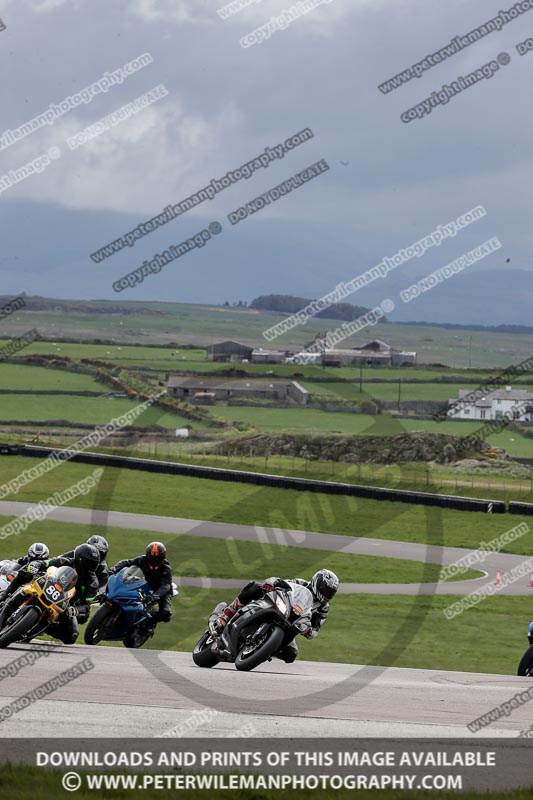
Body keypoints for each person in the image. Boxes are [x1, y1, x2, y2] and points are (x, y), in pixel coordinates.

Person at [212, 568, 339, 663]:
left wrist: (309, 631)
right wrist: (272, 583)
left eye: (331, 593)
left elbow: (316, 628)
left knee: (291, 655)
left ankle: (263, 649)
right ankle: (226, 614)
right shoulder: (301, 583)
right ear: (317, 583)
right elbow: (283, 583)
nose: (327, 594)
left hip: (292, 625)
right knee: (255, 587)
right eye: (326, 590)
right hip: (279, 608)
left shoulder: (323, 608)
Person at [0, 543, 100, 644]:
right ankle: (5, 596)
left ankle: (39, 628)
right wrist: (36, 565)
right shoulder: (65, 561)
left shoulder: (92, 583)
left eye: (94, 564)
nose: (91, 567)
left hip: (65, 606)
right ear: (80, 559)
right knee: (26, 573)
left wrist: (75, 610)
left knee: (71, 636)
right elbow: (47, 563)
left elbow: (87, 607)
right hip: (48, 586)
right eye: (89, 563)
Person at [109, 542, 173, 627]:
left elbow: (166, 585)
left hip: (160, 590)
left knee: (166, 613)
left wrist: (155, 596)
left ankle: (148, 625)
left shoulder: (166, 568)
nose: (154, 560)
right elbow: (127, 562)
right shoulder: (142, 560)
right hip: (146, 584)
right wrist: (114, 569)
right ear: (147, 555)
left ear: (162, 557)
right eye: (151, 557)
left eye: (157, 558)